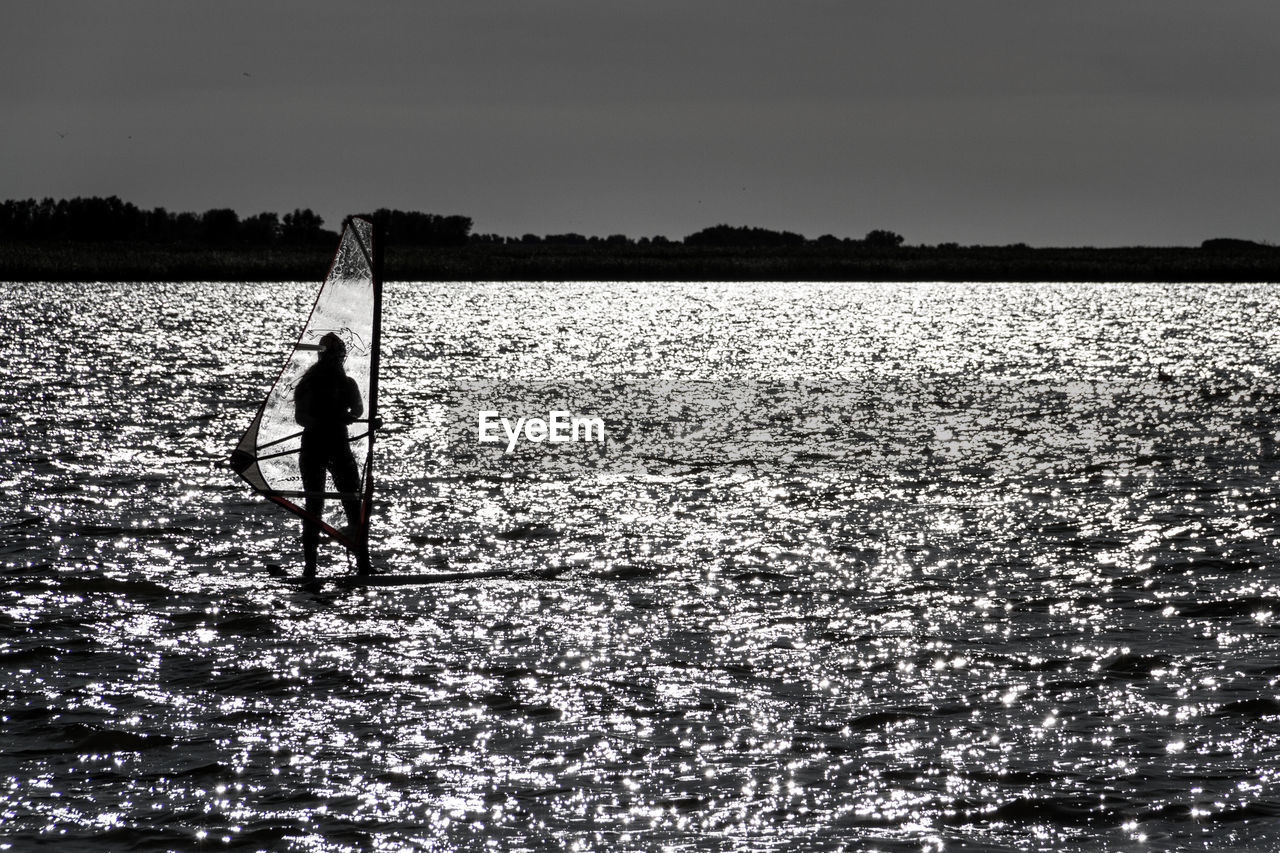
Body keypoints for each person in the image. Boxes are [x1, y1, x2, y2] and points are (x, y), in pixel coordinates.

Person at [295, 332, 366, 576]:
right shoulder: (309, 384)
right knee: (314, 505)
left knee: (353, 503)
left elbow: (357, 410)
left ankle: (361, 562)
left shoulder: (348, 384)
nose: (337, 360)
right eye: (334, 356)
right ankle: (310, 567)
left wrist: (349, 417)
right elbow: (300, 417)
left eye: (339, 356)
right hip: (314, 447)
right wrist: (322, 422)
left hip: (339, 447)